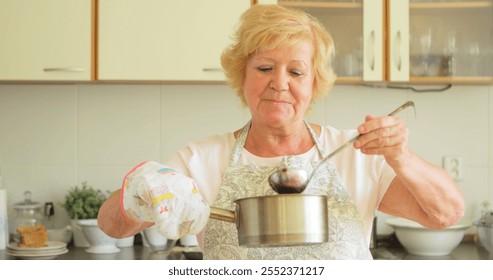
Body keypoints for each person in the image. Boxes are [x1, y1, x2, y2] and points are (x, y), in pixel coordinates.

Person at [98, 4, 464, 260]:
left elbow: (444, 214)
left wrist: (401, 156)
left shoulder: (353, 154)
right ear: (242, 76)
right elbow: (112, 226)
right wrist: (142, 187)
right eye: (264, 67)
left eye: (296, 71)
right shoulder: (201, 160)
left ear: (314, 83)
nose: (279, 83)